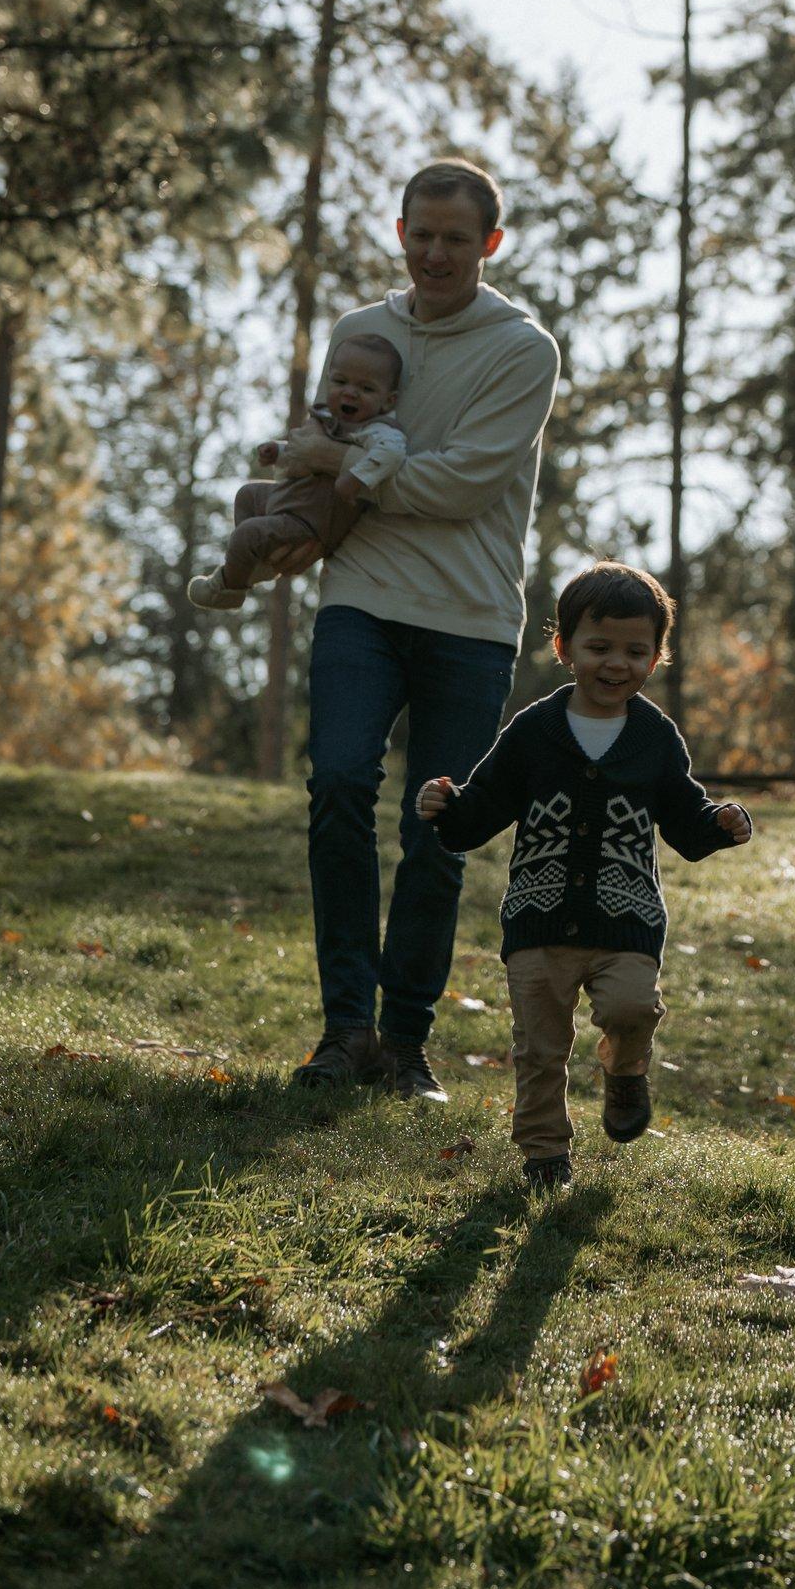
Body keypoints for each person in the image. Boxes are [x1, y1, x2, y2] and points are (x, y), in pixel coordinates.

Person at [278, 159, 560, 1103]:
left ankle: (405, 1045)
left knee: (437, 829)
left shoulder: (523, 349)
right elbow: (327, 460)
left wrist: (352, 466)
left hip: (470, 619)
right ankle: (344, 1031)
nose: (435, 252)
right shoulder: (361, 332)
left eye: (456, 237)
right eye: (421, 233)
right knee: (339, 787)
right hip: (359, 596)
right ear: (399, 232)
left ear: (491, 244)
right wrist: (331, 466)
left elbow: (462, 484)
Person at [418, 560, 753, 1190]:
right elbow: (483, 806)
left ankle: (625, 1073)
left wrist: (722, 824)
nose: (616, 664)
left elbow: (685, 818)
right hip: (537, 922)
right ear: (564, 647)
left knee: (631, 1008)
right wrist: (449, 809)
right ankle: (544, 1153)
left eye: (635, 650)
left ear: (656, 657)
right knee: (539, 1050)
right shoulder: (533, 732)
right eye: (599, 647)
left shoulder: (655, 737)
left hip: (627, 919)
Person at [186, 334, 405, 614]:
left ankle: (227, 587)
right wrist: (278, 451)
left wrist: (355, 478)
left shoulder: (378, 431)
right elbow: (308, 451)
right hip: (293, 500)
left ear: (388, 401)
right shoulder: (330, 419)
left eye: (366, 388)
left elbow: (391, 456)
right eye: (340, 382)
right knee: (248, 495)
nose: (350, 392)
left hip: (312, 520)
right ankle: (255, 564)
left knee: (246, 534)